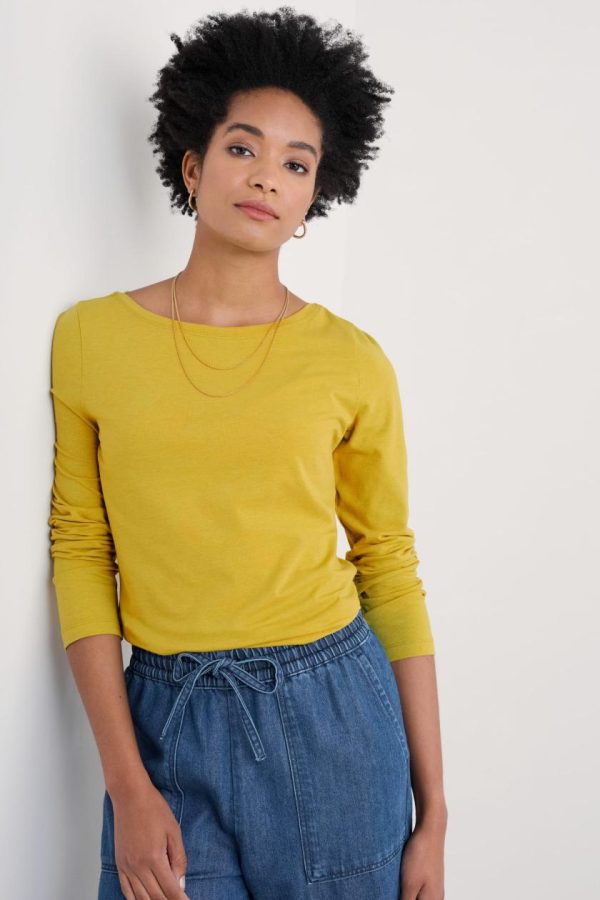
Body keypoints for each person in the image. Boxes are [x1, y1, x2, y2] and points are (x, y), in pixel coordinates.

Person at [48, 8, 447, 900]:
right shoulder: (89, 341)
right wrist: (126, 781)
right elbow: (81, 550)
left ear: (313, 198)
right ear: (192, 165)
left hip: (335, 715)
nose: (267, 176)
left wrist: (436, 812)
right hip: (167, 719)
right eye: (243, 148)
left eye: (296, 164)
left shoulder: (351, 360)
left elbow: (388, 564)